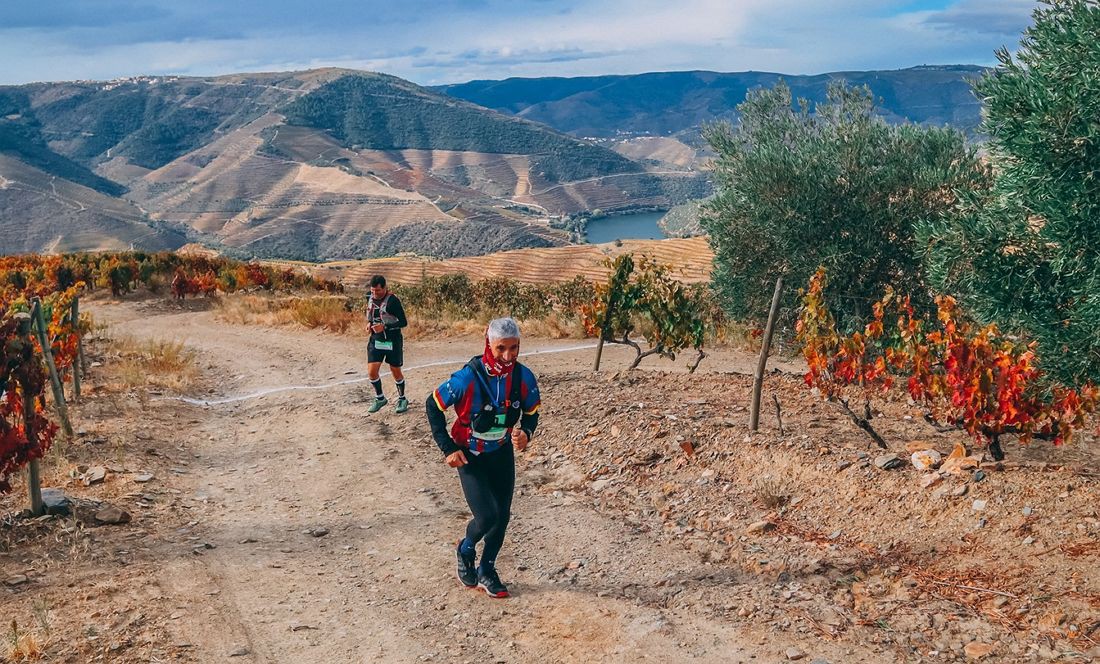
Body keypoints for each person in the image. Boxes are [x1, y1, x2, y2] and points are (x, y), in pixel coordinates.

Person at [425, 317, 540, 598]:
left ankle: (487, 570)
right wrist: (448, 448)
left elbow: (531, 413)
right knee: (487, 516)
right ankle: (466, 550)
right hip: (470, 455)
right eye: (501, 348)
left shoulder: (523, 377)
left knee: (502, 518)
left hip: (500, 453)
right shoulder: (467, 378)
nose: (508, 356)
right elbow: (433, 404)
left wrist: (526, 432)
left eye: (514, 348)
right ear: (487, 343)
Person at [365, 275, 409, 413]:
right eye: (372, 291)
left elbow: (403, 322)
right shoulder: (370, 298)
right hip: (376, 339)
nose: (374, 294)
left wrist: (385, 327)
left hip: (393, 340)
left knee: (395, 371)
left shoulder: (393, 301)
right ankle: (380, 398)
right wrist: (369, 324)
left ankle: (402, 399)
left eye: (377, 291)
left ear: (385, 288)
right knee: (372, 372)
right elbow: (371, 315)